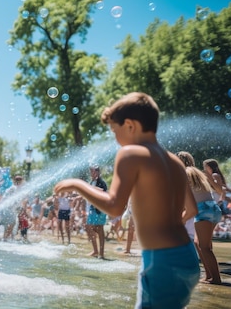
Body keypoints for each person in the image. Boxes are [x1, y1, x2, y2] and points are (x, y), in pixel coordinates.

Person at [54, 92, 199, 308]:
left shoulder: (130, 154)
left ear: (130, 125)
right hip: (187, 256)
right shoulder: (175, 162)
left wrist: (78, 184)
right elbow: (191, 208)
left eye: (115, 130)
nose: (115, 138)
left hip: (162, 260)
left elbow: (114, 207)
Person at [177, 151, 222, 285]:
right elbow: (219, 190)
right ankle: (209, 275)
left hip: (202, 210)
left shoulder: (183, 174)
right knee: (201, 244)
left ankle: (216, 279)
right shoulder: (199, 172)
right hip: (213, 208)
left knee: (204, 247)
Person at [85, 165, 108, 259]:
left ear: (97, 172)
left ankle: (101, 254)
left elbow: (103, 191)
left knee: (100, 229)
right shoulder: (92, 182)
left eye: (93, 171)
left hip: (100, 208)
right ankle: (95, 251)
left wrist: (89, 188)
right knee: (89, 227)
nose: (91, 173)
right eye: (90, 171)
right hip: (92, 208)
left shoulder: (101, 182)